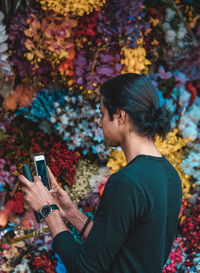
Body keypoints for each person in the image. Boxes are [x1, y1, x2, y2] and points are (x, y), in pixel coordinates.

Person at [19, 73, 182, 273]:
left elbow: (84, 268)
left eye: (102, 113)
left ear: (120, 116)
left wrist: (48, 211)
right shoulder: (170, 174)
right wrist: (71, 213)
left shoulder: (126, 182)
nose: (99, 122)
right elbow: (119, 251)